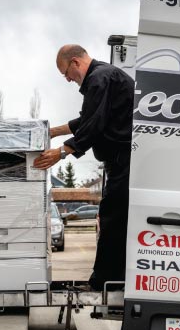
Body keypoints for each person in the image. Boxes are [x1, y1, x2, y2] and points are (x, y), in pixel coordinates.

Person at [34, 44, 134, 290]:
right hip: (121, 161)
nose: (68, 79)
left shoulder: (99, 79)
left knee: (112, 220)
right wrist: (54, 131)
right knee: (113, 219)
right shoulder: (104, 76)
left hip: (123, 160)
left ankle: (104, 283)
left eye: (66, 73)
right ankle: (113, 280)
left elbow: (94, 124)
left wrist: (62, 152)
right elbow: (88, 119)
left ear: (75, 62)